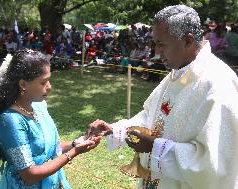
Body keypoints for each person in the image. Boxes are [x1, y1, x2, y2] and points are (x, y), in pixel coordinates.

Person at [88, 5, 238, 189]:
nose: (157, 52)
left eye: (161, 44)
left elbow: (214, 164)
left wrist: (155, 147)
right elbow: (150, 117)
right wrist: (116, 128)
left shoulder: (218, 83)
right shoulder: (178, 73)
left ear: (188, 41)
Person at [0, 49, 100, 189]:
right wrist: (75, 152)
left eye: (49, 80)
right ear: (23, 84)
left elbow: (48, 148)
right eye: (43, 82)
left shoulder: (38, 107)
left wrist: (75, 143)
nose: (49, 87)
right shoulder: (10, 121)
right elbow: (29, 175)